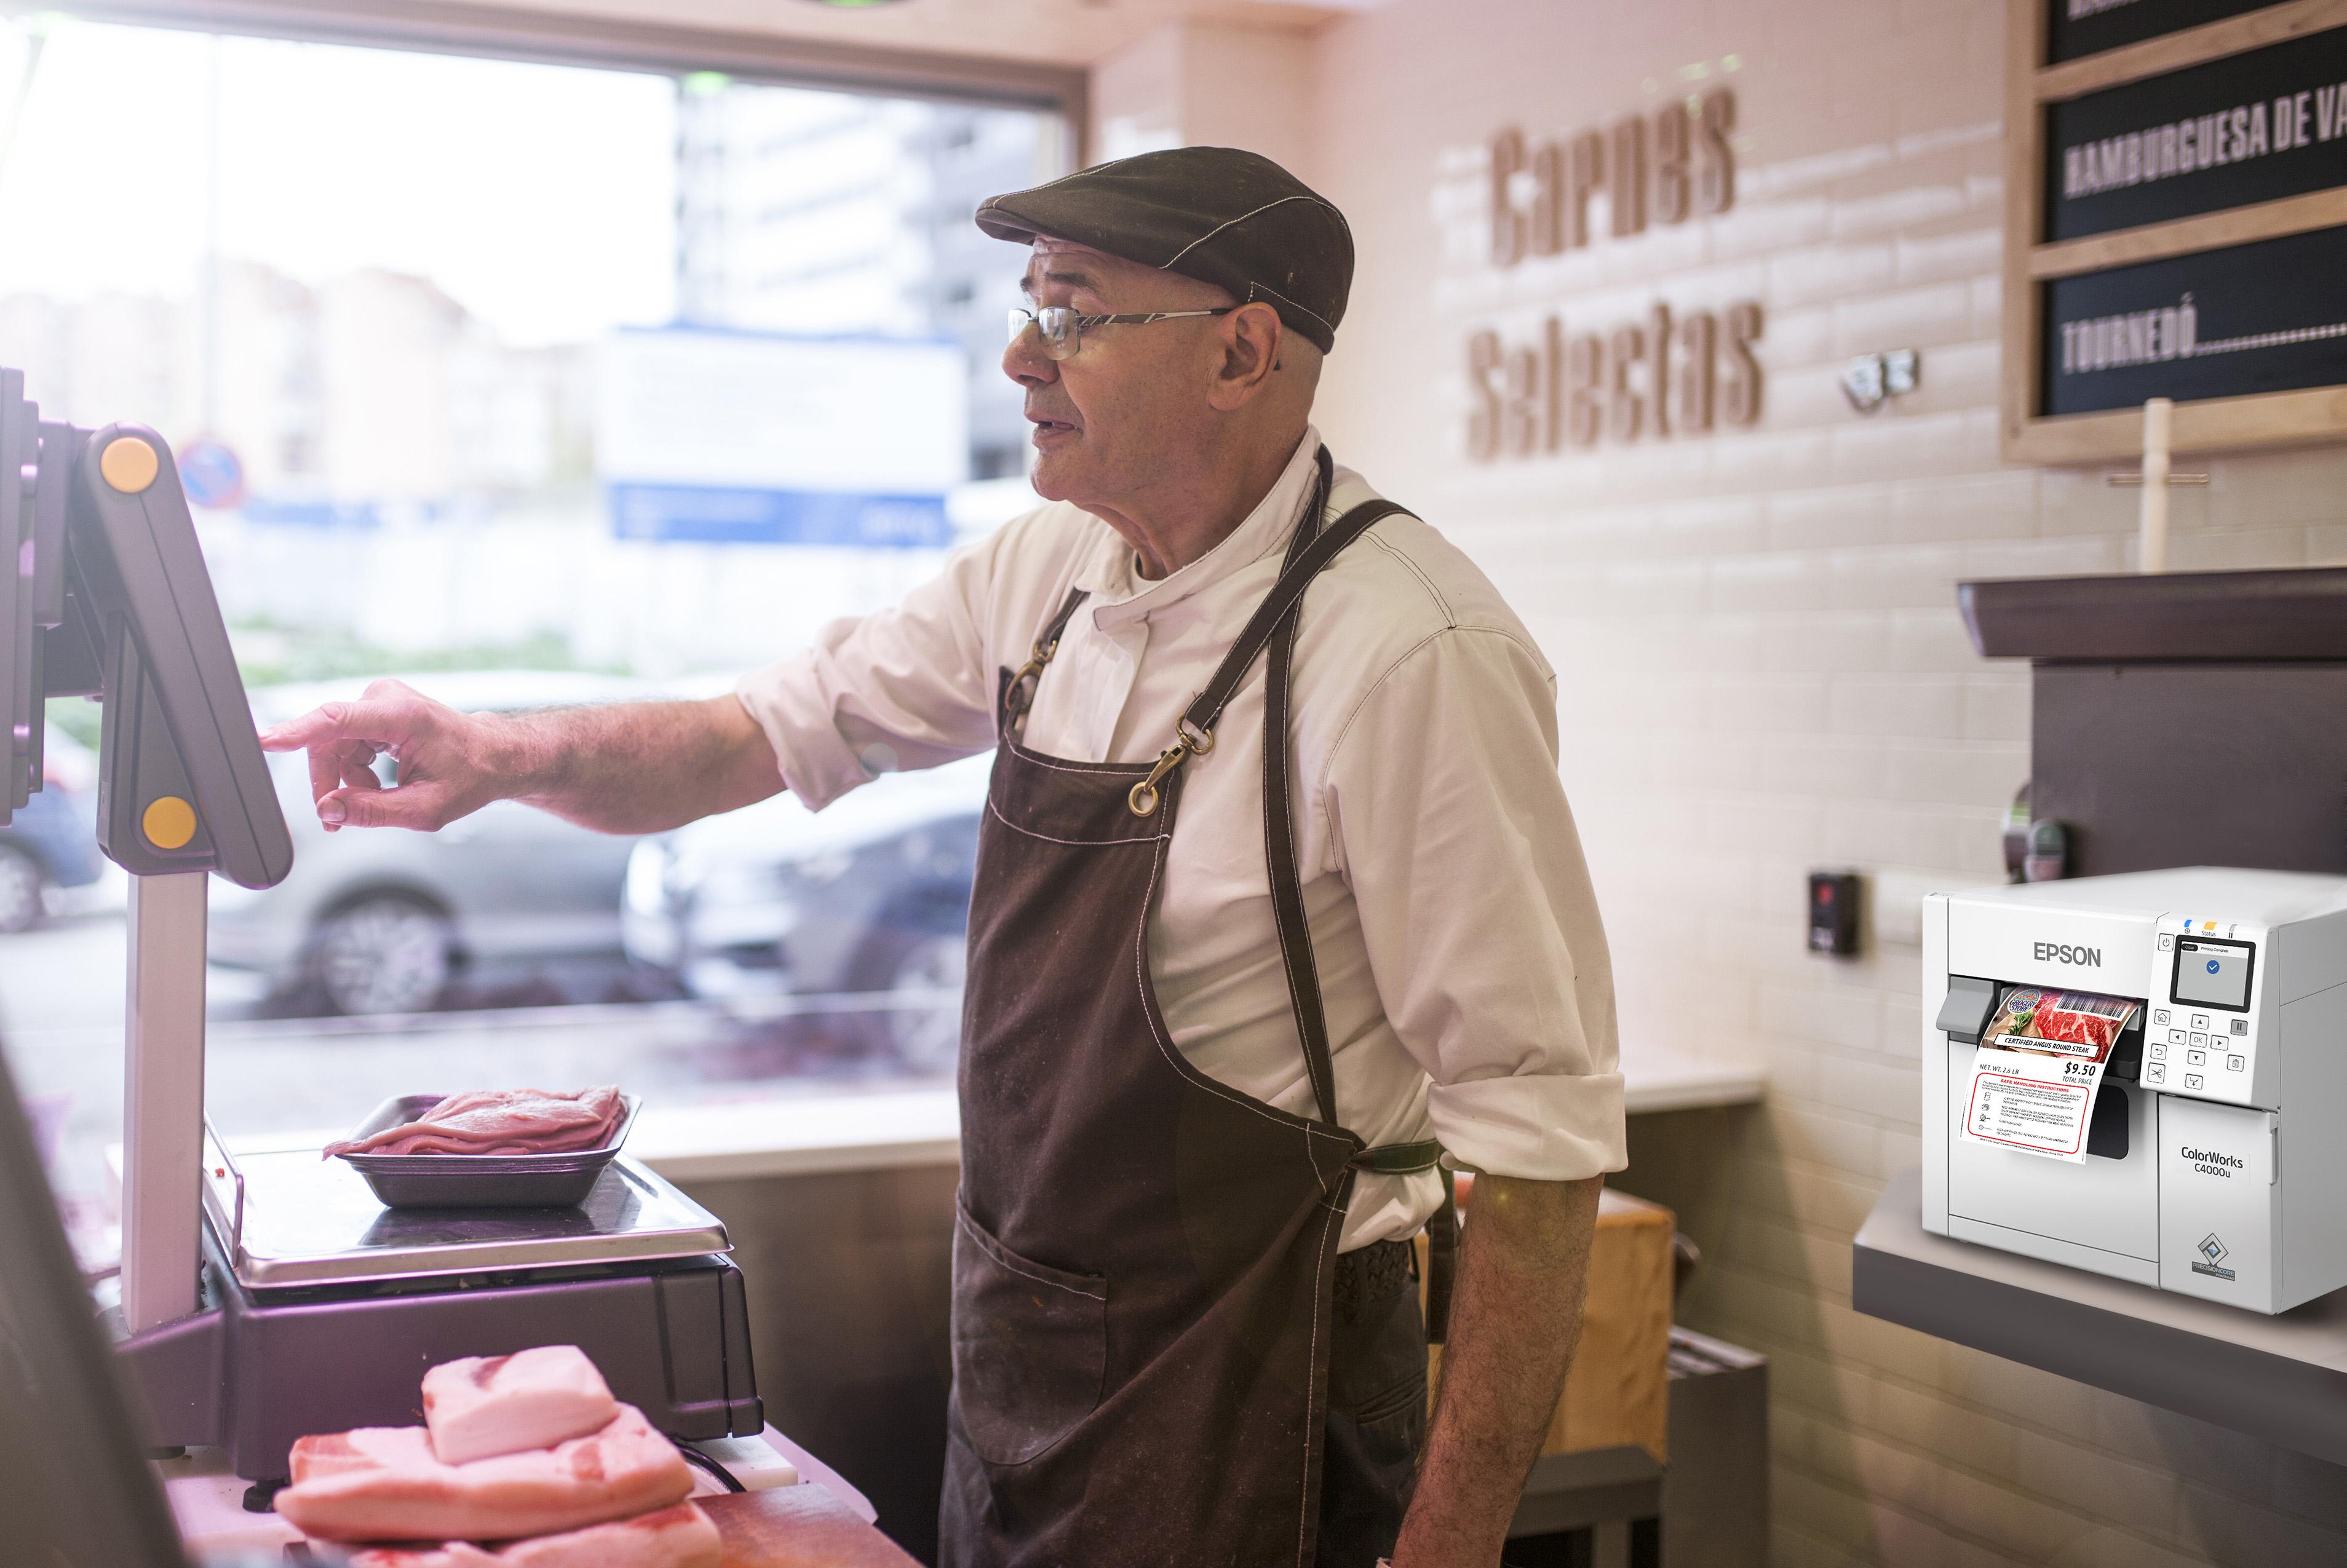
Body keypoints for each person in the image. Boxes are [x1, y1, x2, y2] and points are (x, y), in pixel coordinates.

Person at [261, 145, 1626, 1568]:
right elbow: (754, 733)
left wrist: (1449, 1548)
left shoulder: (1412, 652)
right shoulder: (1045, 575)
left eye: (1078, 312)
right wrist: (498, 755)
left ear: (1242, 352)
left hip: (1275, 1398)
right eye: (1031, 303)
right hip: (1029, 1372)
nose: (1022, 357)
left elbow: (1542, 1141)